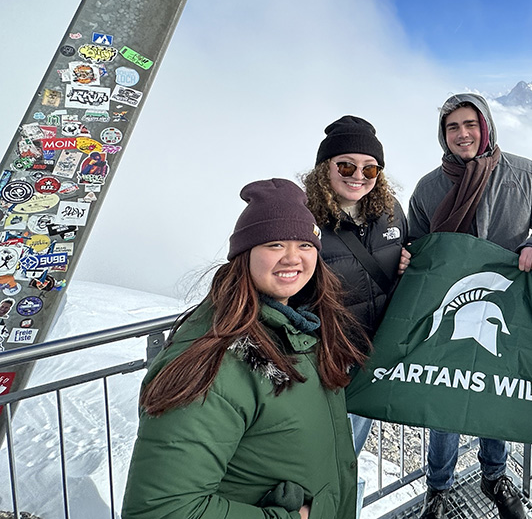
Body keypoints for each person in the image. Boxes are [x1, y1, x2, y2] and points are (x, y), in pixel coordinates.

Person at [122, 178, 365, 519]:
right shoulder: (215, 361)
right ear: (244, 255)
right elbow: (161, 511)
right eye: (275, 245)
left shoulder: (300, 328)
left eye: (305, 245)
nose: (292, 258)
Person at [408, 92, 532, 519]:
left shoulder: (523, 173)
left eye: (470, 125)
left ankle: (494, 475)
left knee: (495, 390)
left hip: (504, 302)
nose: (463, 134)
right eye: (453, 127)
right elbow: (416, 243)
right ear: (443, 135)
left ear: (486, 126)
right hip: (451, 304)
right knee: (445, 397)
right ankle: (438, 488)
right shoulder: (429, 187)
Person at [302, 115, 410, 454]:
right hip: (326, 359)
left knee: (348, 453)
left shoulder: (390, 212)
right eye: (346, 167)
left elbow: (402, 255)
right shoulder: (306, 221)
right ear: (325, 168)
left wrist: (408, 261)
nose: (359, 177)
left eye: (370, 169)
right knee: (322, 452)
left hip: (371, 357)